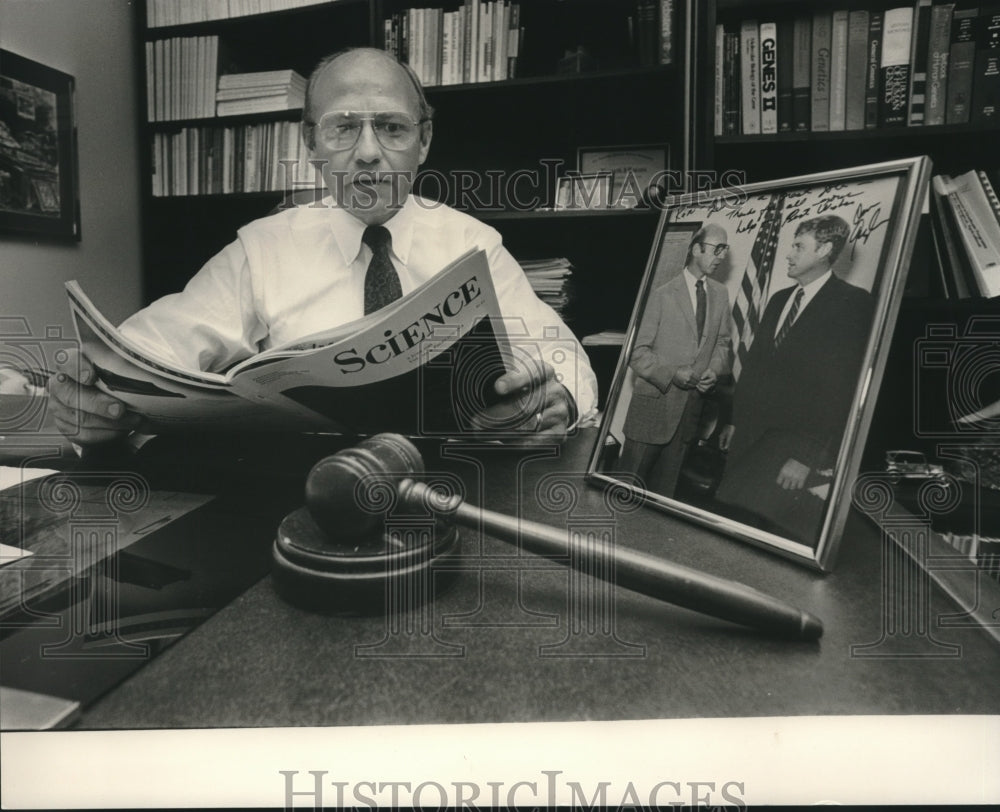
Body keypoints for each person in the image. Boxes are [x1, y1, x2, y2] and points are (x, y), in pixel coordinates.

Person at [48, 48, 597, 446]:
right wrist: (97, 387)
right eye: (342, 129)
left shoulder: (473, 243)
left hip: (459, 491)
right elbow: (157, 350)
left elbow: (564, 357)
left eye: (391, 127)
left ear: (424, 141)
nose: (367, 153)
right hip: (298, 495)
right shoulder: (263, 247)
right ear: (311, 144)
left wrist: (556, 400)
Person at [715, 214, 873, 543]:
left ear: (824, 249)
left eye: (799, 246)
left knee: (763, 539)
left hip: (792, 449)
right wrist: (734, 420)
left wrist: (806, 456)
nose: (789, 253)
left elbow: (841, 390)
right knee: (730, 527)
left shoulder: (853, 304)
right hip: (749, 437)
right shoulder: (778, 300)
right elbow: (756, 367)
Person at [618, 224, 732, 497]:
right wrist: (671, 374)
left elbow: (723, 344)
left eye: (724, 251)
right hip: (651, 413)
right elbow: (636, 352)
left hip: (689, 416)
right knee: (624, 494)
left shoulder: (720, 294)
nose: (720, 257)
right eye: (717, 249)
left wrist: (713, 372)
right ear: (696, 249)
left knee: (662, 500)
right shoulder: (661, 293)